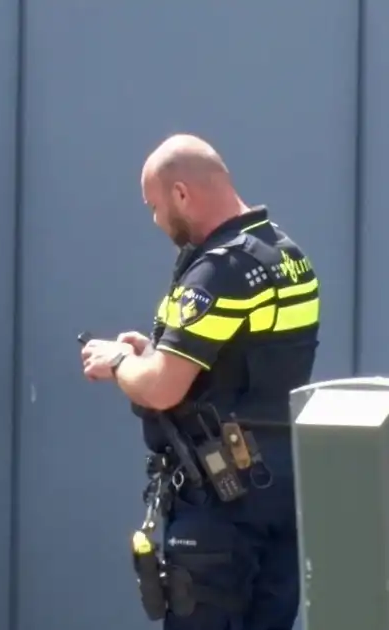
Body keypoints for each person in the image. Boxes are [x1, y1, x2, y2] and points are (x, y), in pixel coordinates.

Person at [79, 134, 320, 630]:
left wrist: (121, 361)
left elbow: (163, 388)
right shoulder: (288, 256)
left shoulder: (218, 271)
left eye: (155, 206)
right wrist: (154, 355)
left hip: (222, 501)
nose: (155, 220)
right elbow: (248, 361)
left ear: (182, 194)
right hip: (281, 490)